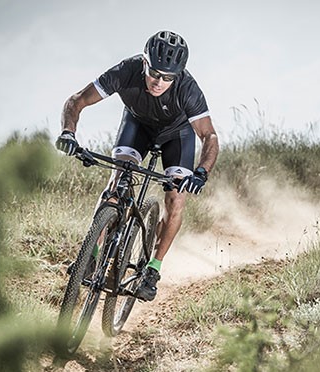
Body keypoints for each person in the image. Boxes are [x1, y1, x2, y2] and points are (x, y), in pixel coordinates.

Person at [55, 30, 219, 301]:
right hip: (137, 126)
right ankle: (92, 256)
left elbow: (209, 135)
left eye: (168, 78)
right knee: (116, 184)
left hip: (176, 136)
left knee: (176, 199)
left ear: (177, 75)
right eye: (155, 73)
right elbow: (77, 100)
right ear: (144, 62)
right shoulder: (126, 71)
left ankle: (153, 268)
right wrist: (68, 133)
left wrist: (202, 172)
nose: (159, 82)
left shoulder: (188, 89)